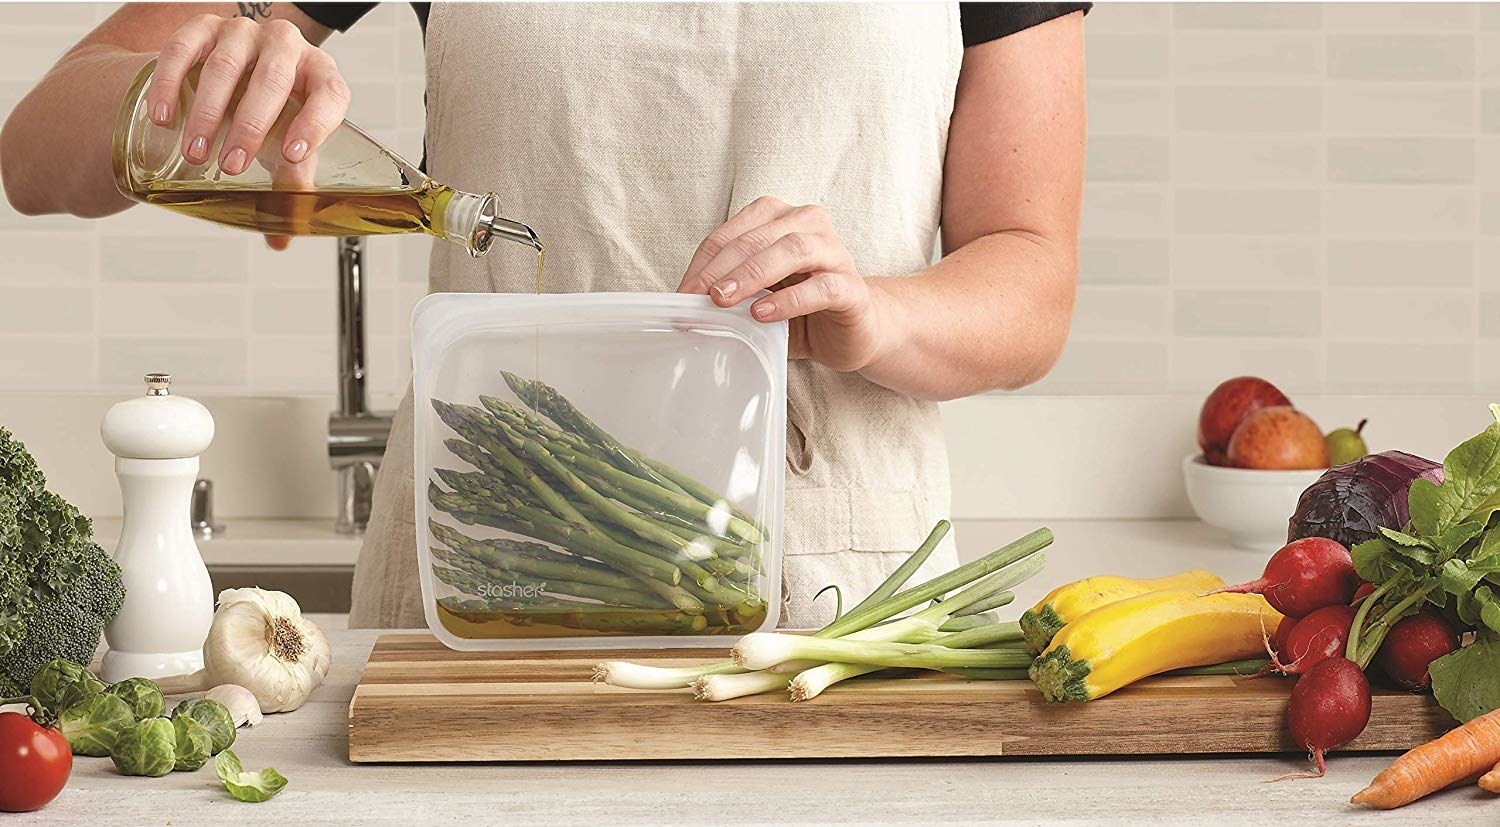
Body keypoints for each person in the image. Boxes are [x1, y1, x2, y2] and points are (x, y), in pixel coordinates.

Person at [1, 2, 1086, 629]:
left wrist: (877, 315)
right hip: (484, 566)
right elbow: (36, 149)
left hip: (845, 599)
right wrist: (186, 80)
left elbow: (1033, 278)